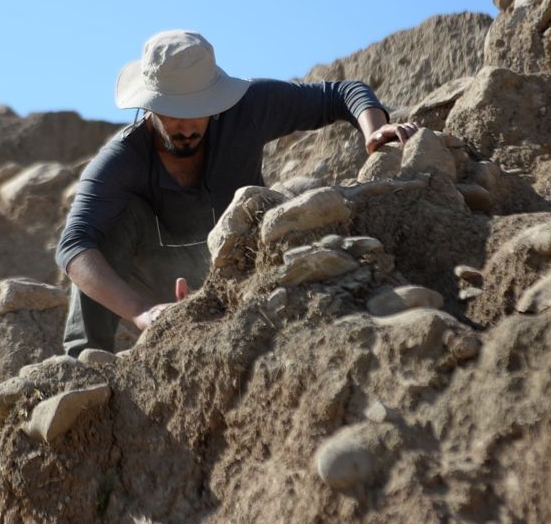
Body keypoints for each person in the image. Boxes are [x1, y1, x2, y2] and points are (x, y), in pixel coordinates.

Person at [55, 29, 419, 354]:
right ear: (149, 108)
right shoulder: (122, 159)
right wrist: (141, 310)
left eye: (197, 110)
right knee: (105, 231)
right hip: (147, 281)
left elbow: (342, 92)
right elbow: (73, 245)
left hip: (236, 265)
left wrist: (374, 130)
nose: (186, 126)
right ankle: (84, 367)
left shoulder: (246, 110)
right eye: (172, 113)